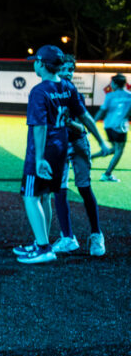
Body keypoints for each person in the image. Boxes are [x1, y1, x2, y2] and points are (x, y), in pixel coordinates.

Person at [13, 45, 107, 264]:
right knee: (45, 194)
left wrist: (38, 159)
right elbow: (84, 116)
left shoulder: (39, 90)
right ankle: (41, 241)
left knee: (30, 196)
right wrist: (101, 140)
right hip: (61, 147)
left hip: (44, 150)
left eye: (35, 61)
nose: (34, 64)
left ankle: (44, 247)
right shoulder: (67, 86)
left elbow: (39, 126)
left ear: (42, 64)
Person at [51, 54, 106, 256]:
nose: (67, 73)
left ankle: (96, 235)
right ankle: (67, 237)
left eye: (71, 69)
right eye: (64, 68)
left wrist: (66, 123)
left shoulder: (74, 93)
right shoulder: (49, 91)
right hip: (59, 144)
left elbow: (80, 128)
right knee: (60, 190)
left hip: (77, 142)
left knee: (84, 188)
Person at [94, 73, 131, 182]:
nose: (111, 85)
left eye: (112, 83)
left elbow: (102, 111)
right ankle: (107, 174)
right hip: (120, 127)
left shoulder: (110, 96)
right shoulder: (129, 96)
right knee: (119, 151)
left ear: (115, 84)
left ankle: (90, 158)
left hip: (108, 126)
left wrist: (93, 122)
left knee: (114, 149)